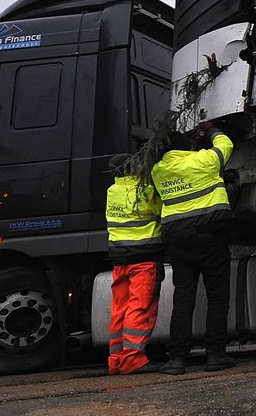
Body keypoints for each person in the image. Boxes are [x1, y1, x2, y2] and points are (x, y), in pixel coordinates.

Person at [150, 122, 235, 375]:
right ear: (187, 147)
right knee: (217, 296)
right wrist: (210, 131)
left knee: (184, 297)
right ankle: (215, 355)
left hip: (178, 241)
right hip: (210, 237)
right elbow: (225, 144)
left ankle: (176, 359)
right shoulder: (203, 161)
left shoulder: (158, 171)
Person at [105, 153, 164, 375]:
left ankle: (116, 359)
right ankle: (133, 359)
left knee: (120, 308)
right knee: (140, 306)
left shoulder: (112, 191)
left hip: (119, 258)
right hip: (143, 258)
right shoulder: (144, 189)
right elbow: (160, 210)